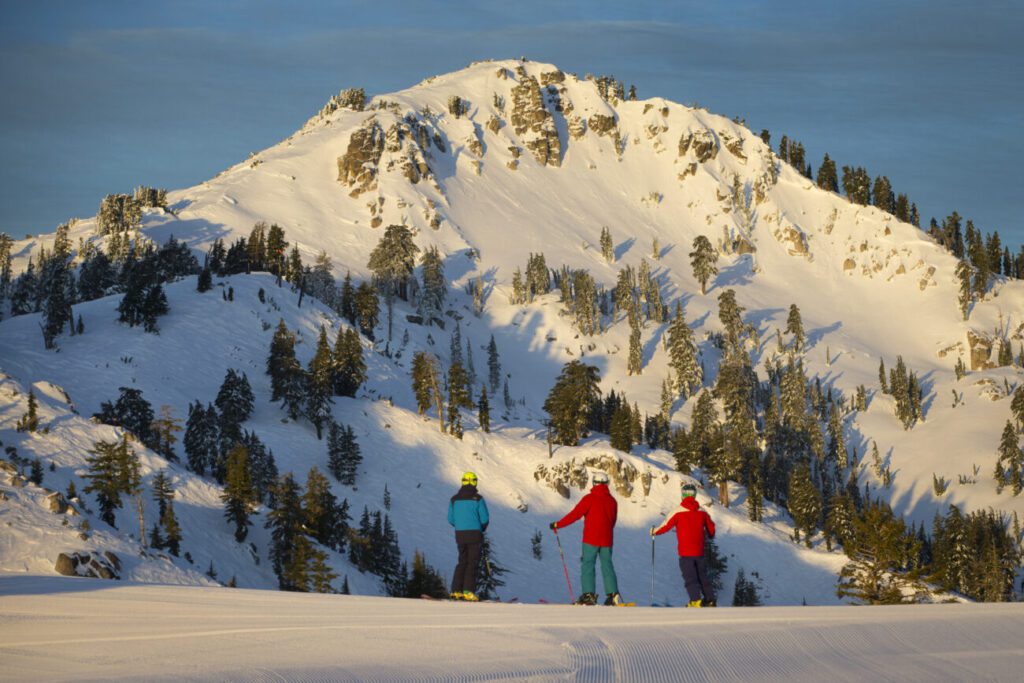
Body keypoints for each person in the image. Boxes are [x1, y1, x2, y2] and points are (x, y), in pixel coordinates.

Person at [550, 471, 623, 605]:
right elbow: (613, 521)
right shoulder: (613, 501)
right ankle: (613, 594)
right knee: (607, 565)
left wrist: (557, 524)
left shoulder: (589, 499)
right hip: (607, 539)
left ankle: (589, 595)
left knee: (588, 565)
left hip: (591, 539)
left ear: (594, 483)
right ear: (606, 483)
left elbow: (575, 515)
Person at [651, 482, 717, 607]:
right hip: (699, 551)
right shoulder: (702, 511)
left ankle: (695, 600)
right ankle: (710, 599)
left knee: (690, 577)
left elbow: (665, 526)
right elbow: (711, 528)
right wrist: (710, 535)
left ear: (683, 495)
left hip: (686, 552)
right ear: (695, 495)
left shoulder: (678, 512)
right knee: (702, 576)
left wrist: (654, 531)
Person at [447, 471, 489, 601]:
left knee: (462, 561)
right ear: (475, 482)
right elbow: (485, 518)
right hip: (475, 534)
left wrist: (460, 526)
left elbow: (450, 519)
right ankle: (468, 591)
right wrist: (481, 528)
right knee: (472, 562)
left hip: (460, 534)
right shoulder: (478, 499)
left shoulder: (454, 499)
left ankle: (456, 591)